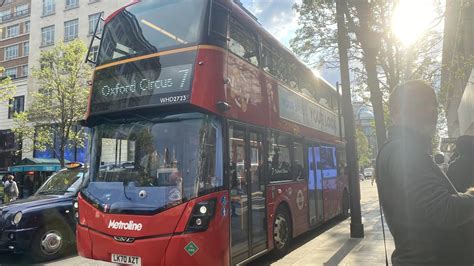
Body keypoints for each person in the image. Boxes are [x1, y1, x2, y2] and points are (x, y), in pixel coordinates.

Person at [376, 80, 474, 265]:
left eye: (434, 104)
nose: (432, 110)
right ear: (396, 112)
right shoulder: (403, 151)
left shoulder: (408, 149)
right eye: (420, 104)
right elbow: (444, 210)